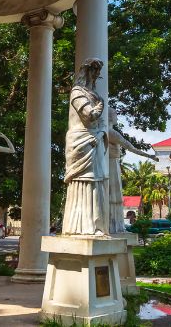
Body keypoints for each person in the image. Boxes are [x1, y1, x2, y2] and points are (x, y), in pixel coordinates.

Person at [62, 59, 108, 235]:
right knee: (84, 180)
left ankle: (95, 225)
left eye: (98, 72)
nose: (96, 75)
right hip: (80, 141)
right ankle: (79, 227)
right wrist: (101, 104)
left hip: (93, 139)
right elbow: (90, 115)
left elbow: (102, 123)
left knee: (95, 181)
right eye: (94, 71)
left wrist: (101, 133)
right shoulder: (77, 92)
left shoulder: (93, 94)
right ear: (86, 71)